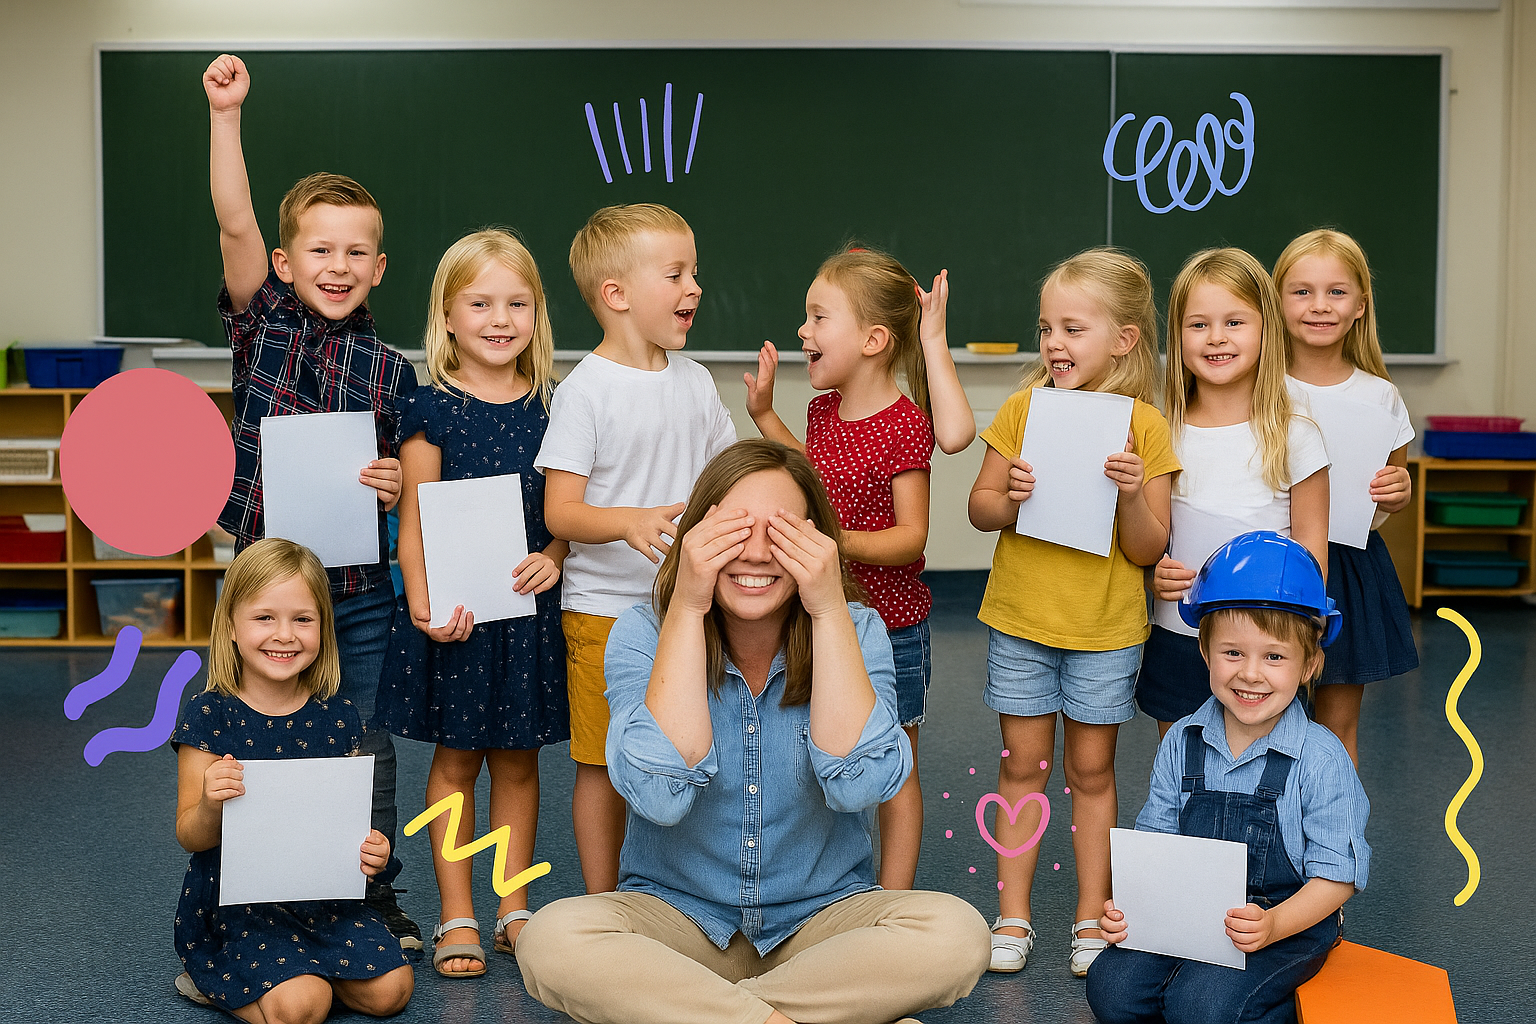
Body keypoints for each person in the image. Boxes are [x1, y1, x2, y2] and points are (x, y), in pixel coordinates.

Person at [516, 439, 991, 1024]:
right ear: (697, 538)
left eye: (783, 533)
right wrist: (687, 605)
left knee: (957, 934)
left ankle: (698, 1014)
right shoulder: (642, 633)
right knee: (552, 938)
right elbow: (660, 798)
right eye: (735, 532)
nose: (759, 554)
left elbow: (862, 786)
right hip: (678, 922)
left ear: (818, 542)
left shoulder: (858, 628)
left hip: (820, 924)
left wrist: (828, 609)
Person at [203, 53, 420, 946]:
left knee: (364, 737)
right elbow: (235, 217)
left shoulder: (394, 371)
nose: (338, 265)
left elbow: (407, 478)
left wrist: (396, 481)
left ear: (379, 267)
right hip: (268, 584)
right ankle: (258, 885)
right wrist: (226, 115)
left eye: (355, 252)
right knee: (253, 731)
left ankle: (371, 892)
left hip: (359, 593)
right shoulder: (263, 324)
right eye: (320, 251)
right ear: (285, 263)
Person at [967, 247, 1179, 976]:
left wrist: (1131, 492)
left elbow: (1149, 547)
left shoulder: (1145, 427)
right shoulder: (1024, 409)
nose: (1053, 343)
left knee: (1092, 773)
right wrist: (1010, 497)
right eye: (1046, 328)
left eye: (1072, 329)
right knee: (1021, 770)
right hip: (1022, 623)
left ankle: (1092, 917)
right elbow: (979, 508)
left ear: (1123, 339)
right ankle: (1013, 917)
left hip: (1104, 632)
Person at [743, 246, 976, 890]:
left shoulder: (904, 425)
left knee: (893, 763)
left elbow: (910, 538)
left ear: (873, 340)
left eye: (818, 318)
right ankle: (826, 884)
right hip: (821, 619)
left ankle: (893, 898)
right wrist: (764, 417)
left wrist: (833, 542)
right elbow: (812, 474)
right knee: (820, 750)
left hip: (891, 628)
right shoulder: (823, 411)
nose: (803, 331)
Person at [372, 229, 569, 977]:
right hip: (456, 621)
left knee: (518, 765)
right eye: (480, 303)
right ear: (448, 317)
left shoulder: (555, 408)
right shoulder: (430, 410)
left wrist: (555, 557)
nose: (500, 319)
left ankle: (513, 909)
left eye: (517, 303)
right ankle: (457, 914)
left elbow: (568, 510)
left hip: (526, 617)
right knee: (456, 763)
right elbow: (413, 524)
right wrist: (424, 608)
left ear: (536, 314)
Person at [1086, 531, 1370, 1024]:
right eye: (1232, 653)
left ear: (1309, 664)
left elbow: (1337, 877)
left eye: (1274, 656)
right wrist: (1129, 911)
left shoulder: (1322, 758)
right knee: (1110, 988)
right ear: (1205, 651)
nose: (1251, 674)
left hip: (1288, 923)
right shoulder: (1182, 739)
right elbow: (1157, 845)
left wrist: (1273, 924)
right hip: (1191, 916)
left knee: (1200, 1006)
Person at [536, 203, 736, 893]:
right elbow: (560, 511)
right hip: (603, 612)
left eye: (695, 273)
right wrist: (626, 522)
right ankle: (603, 901)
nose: (695, 288)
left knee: (687, 752)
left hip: (691, 610)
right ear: (616, 294)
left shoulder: (697, 381)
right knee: (604, 762)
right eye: (675, 275)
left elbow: (726, 475)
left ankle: (681, 891)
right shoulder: (584, 392)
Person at [171, 538, 415, 1021]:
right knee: (305, 1005)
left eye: (303, 619)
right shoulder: (209, 714)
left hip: (325, 904)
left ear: (324, 626)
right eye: (264, 617)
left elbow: (347, 826)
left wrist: (374, 851)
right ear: (231, 626)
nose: (284, 635)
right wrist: (211, 804)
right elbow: (189, 836)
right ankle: (218, 977)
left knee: (393, 990)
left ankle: (289, 976)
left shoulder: (340, 716)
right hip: (241, 909)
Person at [1140, 248, 1331, 736]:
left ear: (1267, 330)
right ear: (1177, 336)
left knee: (1267, 769)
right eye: (1198, 324)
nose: (1216, 337)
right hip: (1180, 636)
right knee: (1183, 763)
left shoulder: (1296, 434)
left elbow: (1312, 549)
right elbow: (1149, 535)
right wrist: (1151, 575)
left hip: (1267, 646)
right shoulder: (1159, 431)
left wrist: (1302, 636)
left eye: (1234, 322)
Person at [1274, 229, 1418, 766]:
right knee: (1261, 712)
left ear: (1360, 305)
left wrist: (1398, 492)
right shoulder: (1257, 386)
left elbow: (1386, 493)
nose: (1320, 305)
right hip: (1270, 561)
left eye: (1336, 292)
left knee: (1335, 727)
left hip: (1348, 568)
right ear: (1276, 300)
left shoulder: (1381, 397)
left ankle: (1334, 818)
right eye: (1302, 291)